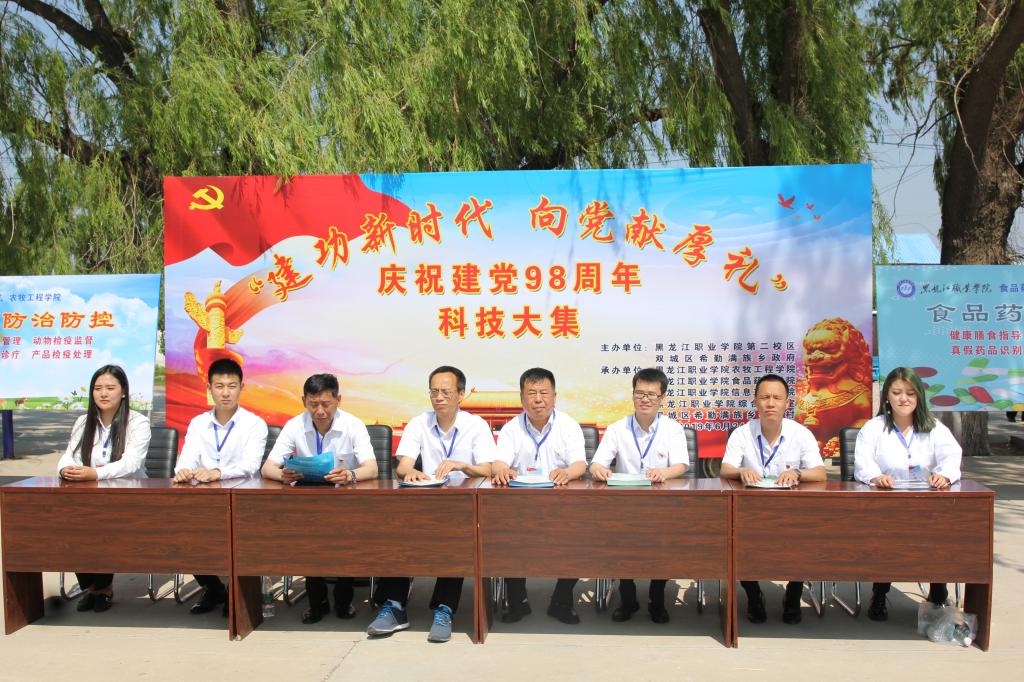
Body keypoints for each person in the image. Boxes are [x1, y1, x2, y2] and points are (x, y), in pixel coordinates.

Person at [367, 366, 495, 643]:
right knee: (397, 531)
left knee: (458, 536)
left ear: (460, 394)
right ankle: (394, 606)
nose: (439, 397)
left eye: (446, 392)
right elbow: (402, 466)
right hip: (426, 501)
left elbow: (488, 469)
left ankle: (444, 608)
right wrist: (411, 472)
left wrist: (462, 466)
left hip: (465, 504)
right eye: (434, 391)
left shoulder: (476, 425)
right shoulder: (419, 423)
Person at [262, 373, 377, 624]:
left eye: (326, 404)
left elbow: (372, 468)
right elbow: (267, 468)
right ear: (304, 401)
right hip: (308, 500)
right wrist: (283, 475)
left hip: (344, 499)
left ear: (338, 400)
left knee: (345, 540)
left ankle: (344, 599)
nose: (320, 411)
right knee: (308, 542)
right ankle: (317, 602)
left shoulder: (353, 425)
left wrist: (350, 474)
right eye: (313, 404)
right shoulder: (295, 425)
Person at [854, 366, 962, 621]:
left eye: (910, 393)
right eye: (897, 392)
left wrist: (944, 475)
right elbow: (863, 462)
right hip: (886, 505)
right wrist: (876, 477)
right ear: (887, 396)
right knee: (887, 538)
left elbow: (951, 456)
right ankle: (880, 592)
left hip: (927, 505)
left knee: (942, 534)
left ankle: (938, 591)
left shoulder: (934, 427)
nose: (904, 399)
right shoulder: (873, 428)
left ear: (919, 397)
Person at [720, 372, 826, 625]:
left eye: (777, 398)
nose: (770, 403)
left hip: (792, 511)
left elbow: (820, 473)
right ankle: (753, 595)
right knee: (735, 538)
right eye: (764, 397)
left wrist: (797, 473)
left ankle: (793, 594)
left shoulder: (801, 433)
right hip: (750, 510)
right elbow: (725, 469)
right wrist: (740, 471)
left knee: (804, 538)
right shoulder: (742, 433)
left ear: (787, 403)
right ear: (755, 401)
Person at [589, 367, 689, 624]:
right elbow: (597, 463)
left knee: (664, 543)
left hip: (661, 505)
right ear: (632, 395)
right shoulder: (617, 428)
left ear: (661, 398)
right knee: (620, 541)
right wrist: (598, 470)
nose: (645, 399)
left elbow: (681, 465)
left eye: (651, 395)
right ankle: (628, 598)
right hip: (625, 505)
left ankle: (657, 598)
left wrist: (664, 472)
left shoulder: (673, 429)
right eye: (639, 393)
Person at [491, 367, 588, 625]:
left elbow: (580, 465)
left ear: (554, 396)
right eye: (531, 393)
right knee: (505, 538)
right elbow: (498, 463)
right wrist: (502, 471)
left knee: (580, 539)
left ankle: (562, 601)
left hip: (561, 505)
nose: (538, 400)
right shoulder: (511, 428)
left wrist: (567, 472)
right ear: (522, 398)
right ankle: (518, 602)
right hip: (520, 506)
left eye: (544, 393)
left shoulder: (568, 425)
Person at [173, 358, 268, 616]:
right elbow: (187, 458)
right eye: (219, 386)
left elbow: (250, 465)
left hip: (244, 501)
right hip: (205, 500)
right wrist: (183, 470)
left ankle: (237, 594)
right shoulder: (198, 423)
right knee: (183, 535)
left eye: (232, 386)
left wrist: (217, 473)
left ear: (241, 388)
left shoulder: (254, 424)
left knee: (235, 540)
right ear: (209, 388)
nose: (225, 393)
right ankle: (214, 588)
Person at [57, 365, 152, 613]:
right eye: (98, 388)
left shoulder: (138, 422)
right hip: (89, 498)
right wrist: (65, 470)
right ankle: (93, 587)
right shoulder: (83, 422)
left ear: (123, 391)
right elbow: (68, 456)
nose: (103, 393)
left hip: (128, 497)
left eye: (110, 388)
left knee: (99, 524)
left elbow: (132, 463)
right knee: (68, 524)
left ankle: (102, 588)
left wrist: (95, 473)